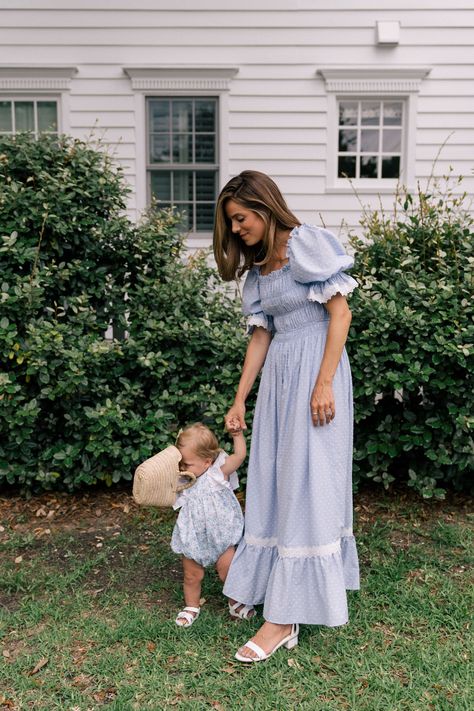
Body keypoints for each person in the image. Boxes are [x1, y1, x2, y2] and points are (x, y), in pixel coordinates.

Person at [213, 170, 360, 662]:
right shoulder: (259, 273)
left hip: (319, 371)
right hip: (280, 379)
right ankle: (270, 584)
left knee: (308, 479)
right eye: (230, 222)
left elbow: (340, 314)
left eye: (240, 218)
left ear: (265, 207)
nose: (236, 229)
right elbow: (261, 336)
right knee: (276, 477)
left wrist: (323, 382)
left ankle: (285, 618)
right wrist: (240, 399)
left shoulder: (306, 245)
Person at [172, 422, 255, 627]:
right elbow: (161, 491)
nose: (183, 468)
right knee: (192, 575)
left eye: (188, 464)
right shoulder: (183, 480)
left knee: (228, 571)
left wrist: (237, 436)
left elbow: (240, 456)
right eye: (181, 463)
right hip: (193, 536)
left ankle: (236, 602)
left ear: (207, 462)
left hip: (221, 535)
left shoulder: (217, 473)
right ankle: (191, 606)